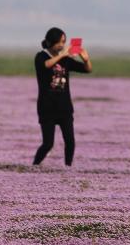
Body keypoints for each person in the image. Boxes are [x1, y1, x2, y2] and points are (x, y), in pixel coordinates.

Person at [33, 27, 93, 166]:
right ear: (49, 43)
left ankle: (68, 168)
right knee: (48, 144)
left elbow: (87, 70)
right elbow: (47, 65)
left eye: (64, 42)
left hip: (64, 107)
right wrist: (62, 55)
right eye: (59, 42)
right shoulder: (40, 56)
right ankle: (34, 166)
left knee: (70, 142)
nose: (62, 45)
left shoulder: (66, 60)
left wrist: (86, 60)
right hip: (47, 107)